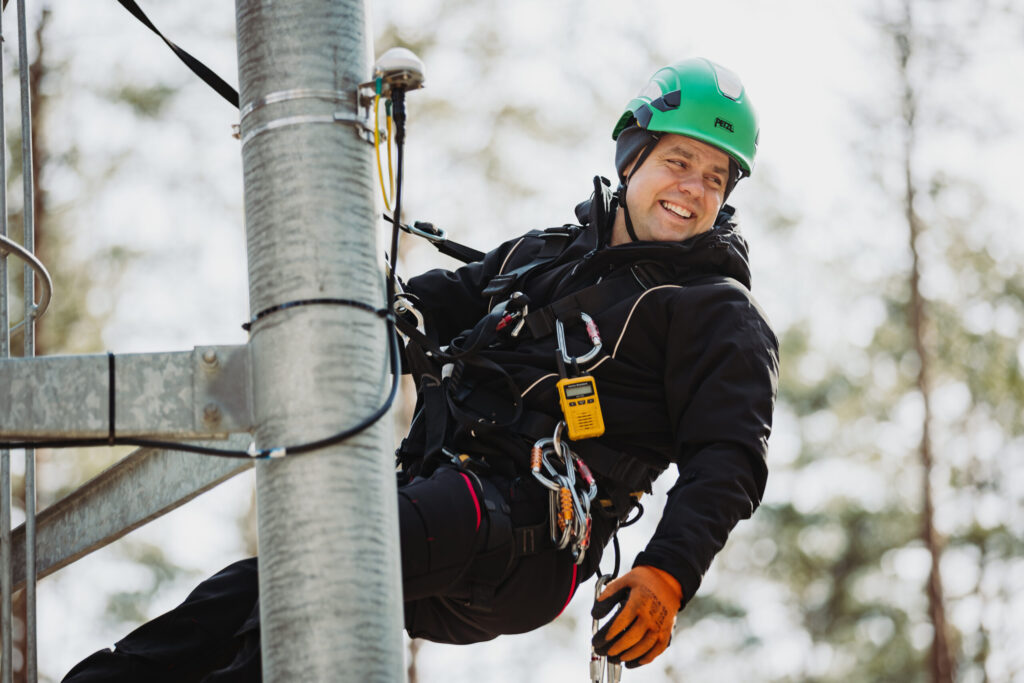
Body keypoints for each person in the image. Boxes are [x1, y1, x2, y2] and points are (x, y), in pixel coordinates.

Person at [63, 57, 778, 681]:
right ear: (633, 156)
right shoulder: (543, 253)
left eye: (715, 177)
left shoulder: (714, 311)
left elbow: (731, 456)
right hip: (438, 494)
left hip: (527, 533)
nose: (694, 188)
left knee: (316, 581)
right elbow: (430, 309)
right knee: (247, 591)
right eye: (678, 162)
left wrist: (669, 571)